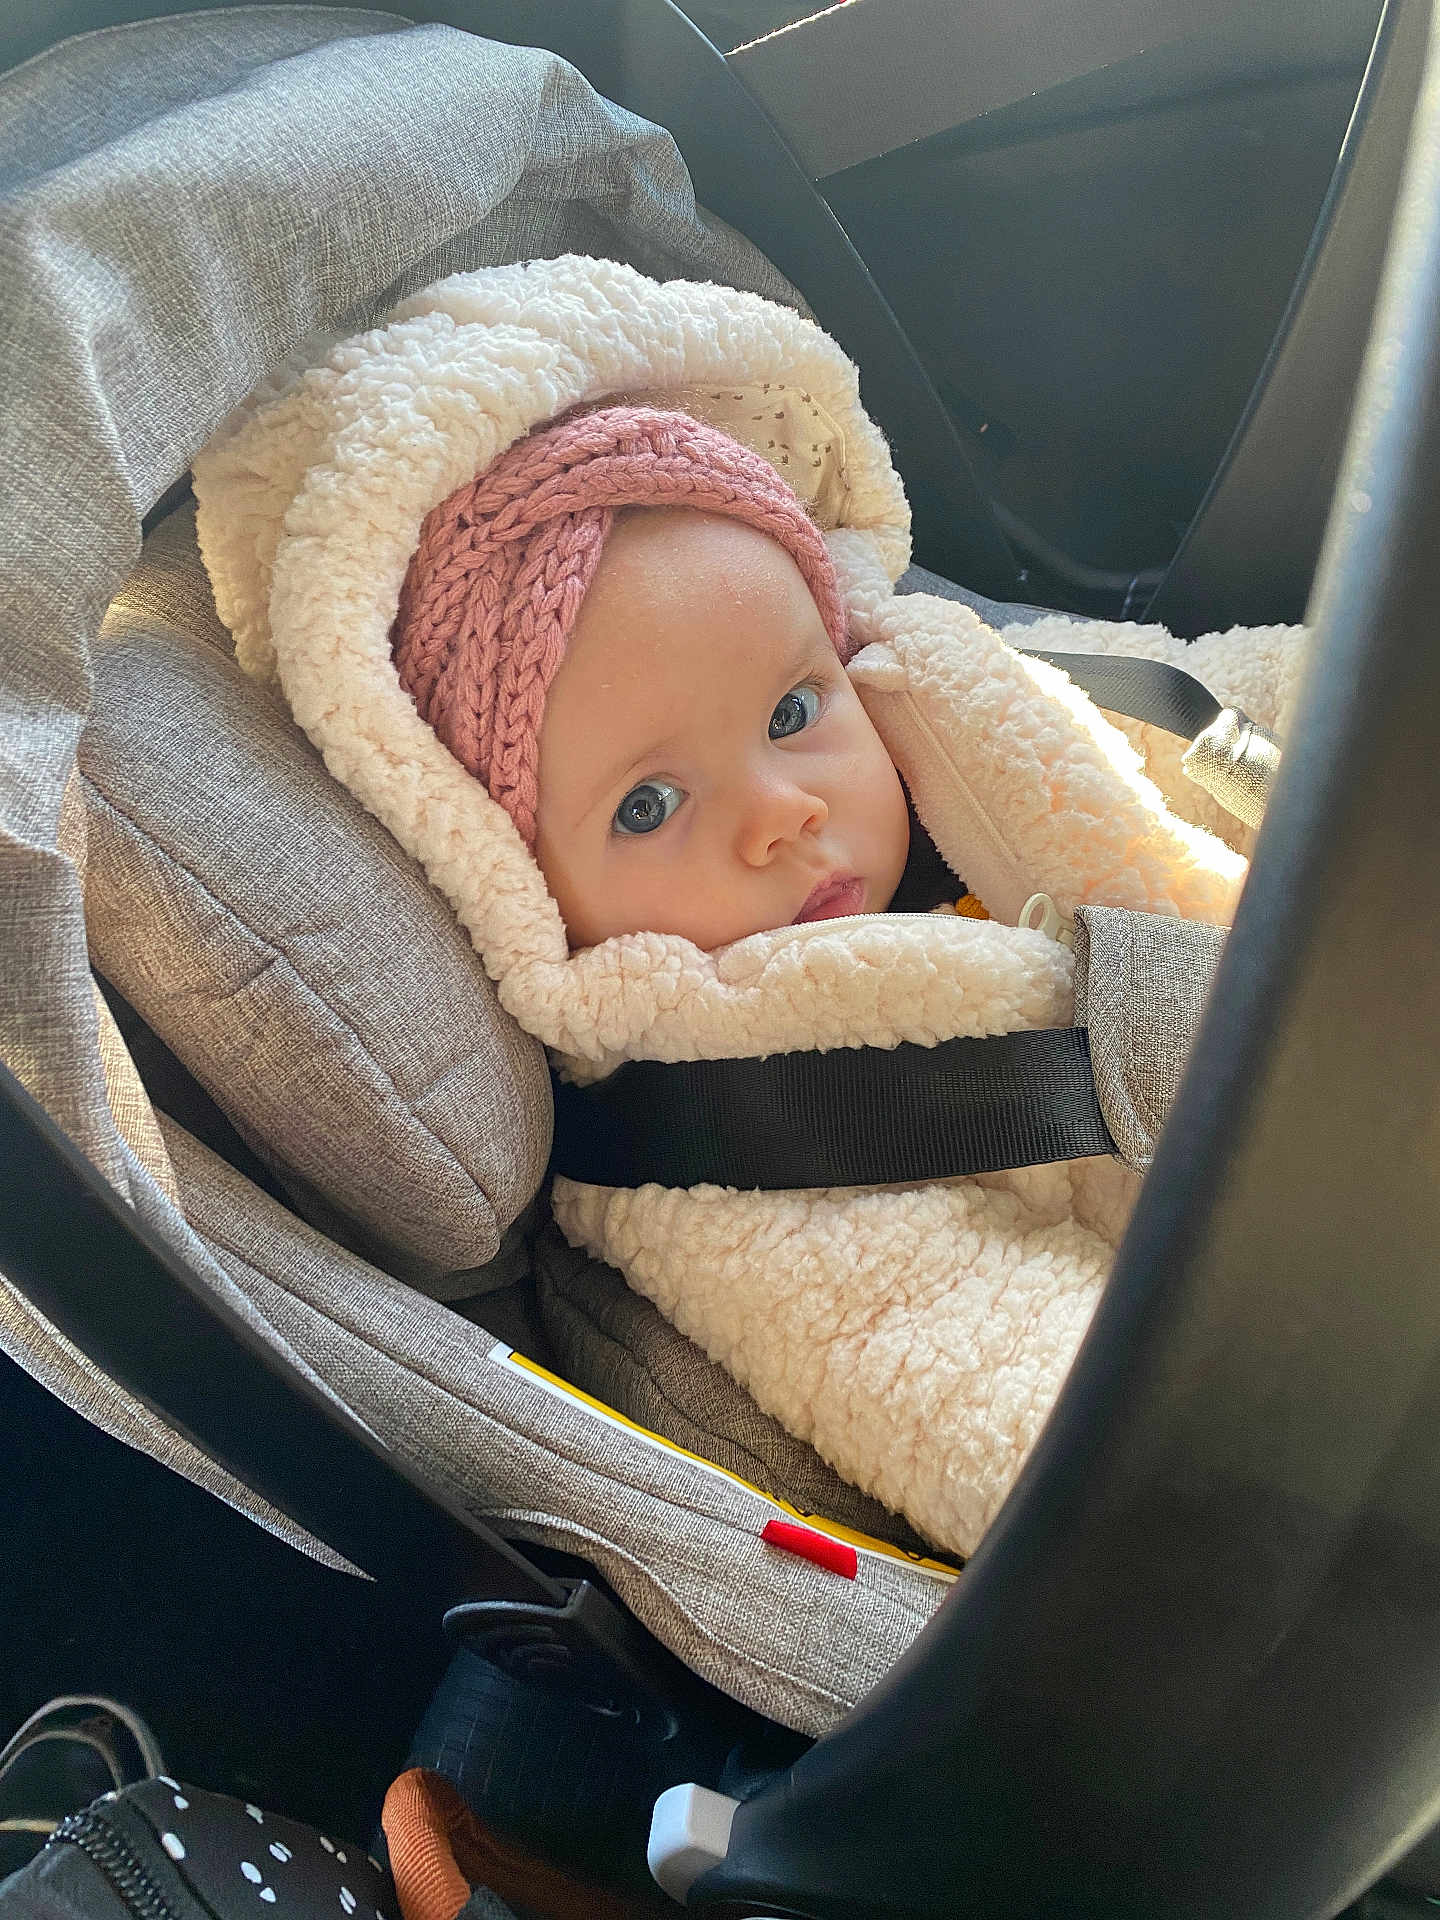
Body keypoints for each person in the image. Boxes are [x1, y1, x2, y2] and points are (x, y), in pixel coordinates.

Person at [195, 254, 1305, 1558]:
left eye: (791, 711)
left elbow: (1223, 712)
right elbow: (998, 1390)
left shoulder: (961, 728)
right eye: (650, 806)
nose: (781, 809)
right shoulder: (748, 1161)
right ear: (509, 886)